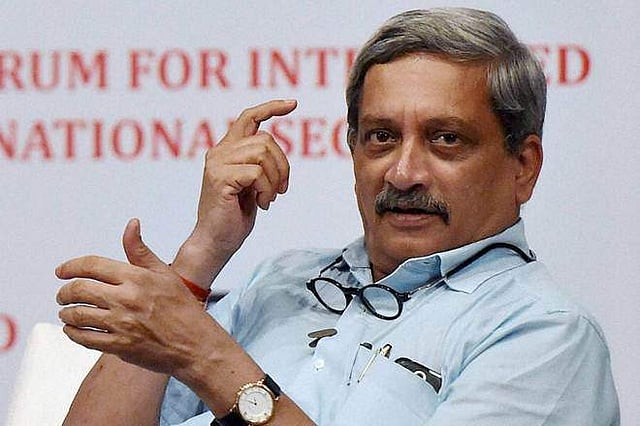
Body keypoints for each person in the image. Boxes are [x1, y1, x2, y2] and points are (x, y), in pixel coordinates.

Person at [55, 7, 620, 426]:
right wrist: (200, 257)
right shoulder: (279, 283)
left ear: (523, 165)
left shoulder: (545, 335)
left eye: (446, 139)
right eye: (381, 137)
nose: (403, 173)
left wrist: (208, 358)